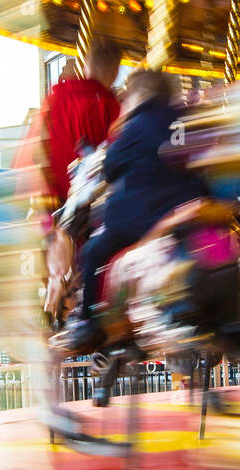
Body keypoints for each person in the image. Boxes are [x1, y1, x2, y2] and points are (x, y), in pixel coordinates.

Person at [50, 68, 208, 354]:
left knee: (93, 252)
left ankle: (88, 322)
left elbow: (111, 168)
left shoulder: (137, 125)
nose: (122, 106)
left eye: (126, 99)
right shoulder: (184, 121)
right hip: (188, 209)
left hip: (142, 217)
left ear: (140, 96)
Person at [18, 36, 123, 207]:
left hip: (56, 198)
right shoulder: (114, 108)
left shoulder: (57, 97)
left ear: (85, 66)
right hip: (96, 201)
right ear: (116, 71)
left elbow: (36, 148)